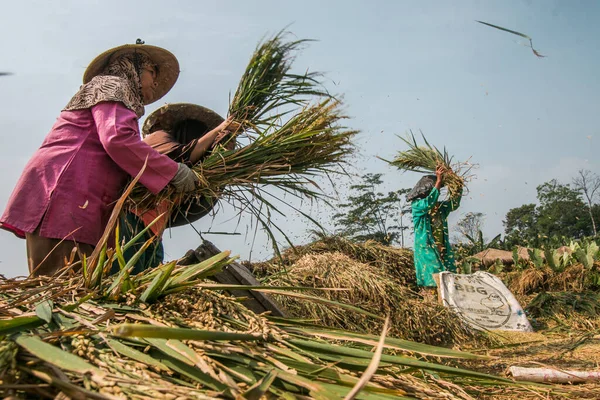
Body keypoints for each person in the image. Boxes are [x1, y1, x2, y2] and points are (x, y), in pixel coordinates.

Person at [0, 42, 198, 276]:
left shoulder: (118, 99)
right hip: (67, 189)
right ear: (132, 66)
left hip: (78, 195)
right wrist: (173, 172)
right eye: (152, 72)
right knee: (61, 284)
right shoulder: (112, 85)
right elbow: (116, 138)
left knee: (68, 284)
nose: (155, 82)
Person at [117, 103, 240, 274]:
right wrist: (220, 129)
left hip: (153, 233)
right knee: (125, 277)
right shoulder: (159, 138)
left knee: (143, 285)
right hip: (131, 222)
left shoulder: (189, 173)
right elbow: (182, 154)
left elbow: (192, 203)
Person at [408, 167, 462, 292]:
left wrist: (456, 184)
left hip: (443, 248)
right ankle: (431, 303)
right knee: (432, 279)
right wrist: (438, 181)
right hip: (427, 249)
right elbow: (429, 202)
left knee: (448, 280)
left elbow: (454, 203)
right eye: (433, 189)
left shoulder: (440, 209)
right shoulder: (417, 206)